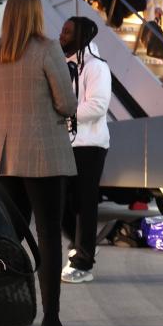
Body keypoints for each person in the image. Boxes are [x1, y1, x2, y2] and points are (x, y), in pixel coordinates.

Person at [0, 0, 78, 326]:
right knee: (49, 236)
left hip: (7, 156)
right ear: (36, 14)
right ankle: (50, 319)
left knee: (12, 236)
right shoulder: (46, 49)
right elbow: (67, 103)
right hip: (44, 154)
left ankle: (10, 306)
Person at [58, 16, 110, 283]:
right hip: (66, 143)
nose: (62, 35)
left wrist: (63, 115)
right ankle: (83, 244)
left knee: (84, 205)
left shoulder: (96, 68)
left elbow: (98, 106)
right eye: (62, 30)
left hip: (90, 145)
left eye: (67, 32)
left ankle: (83, 263)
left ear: (82, 37)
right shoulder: (64, 65)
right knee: (63, 203)